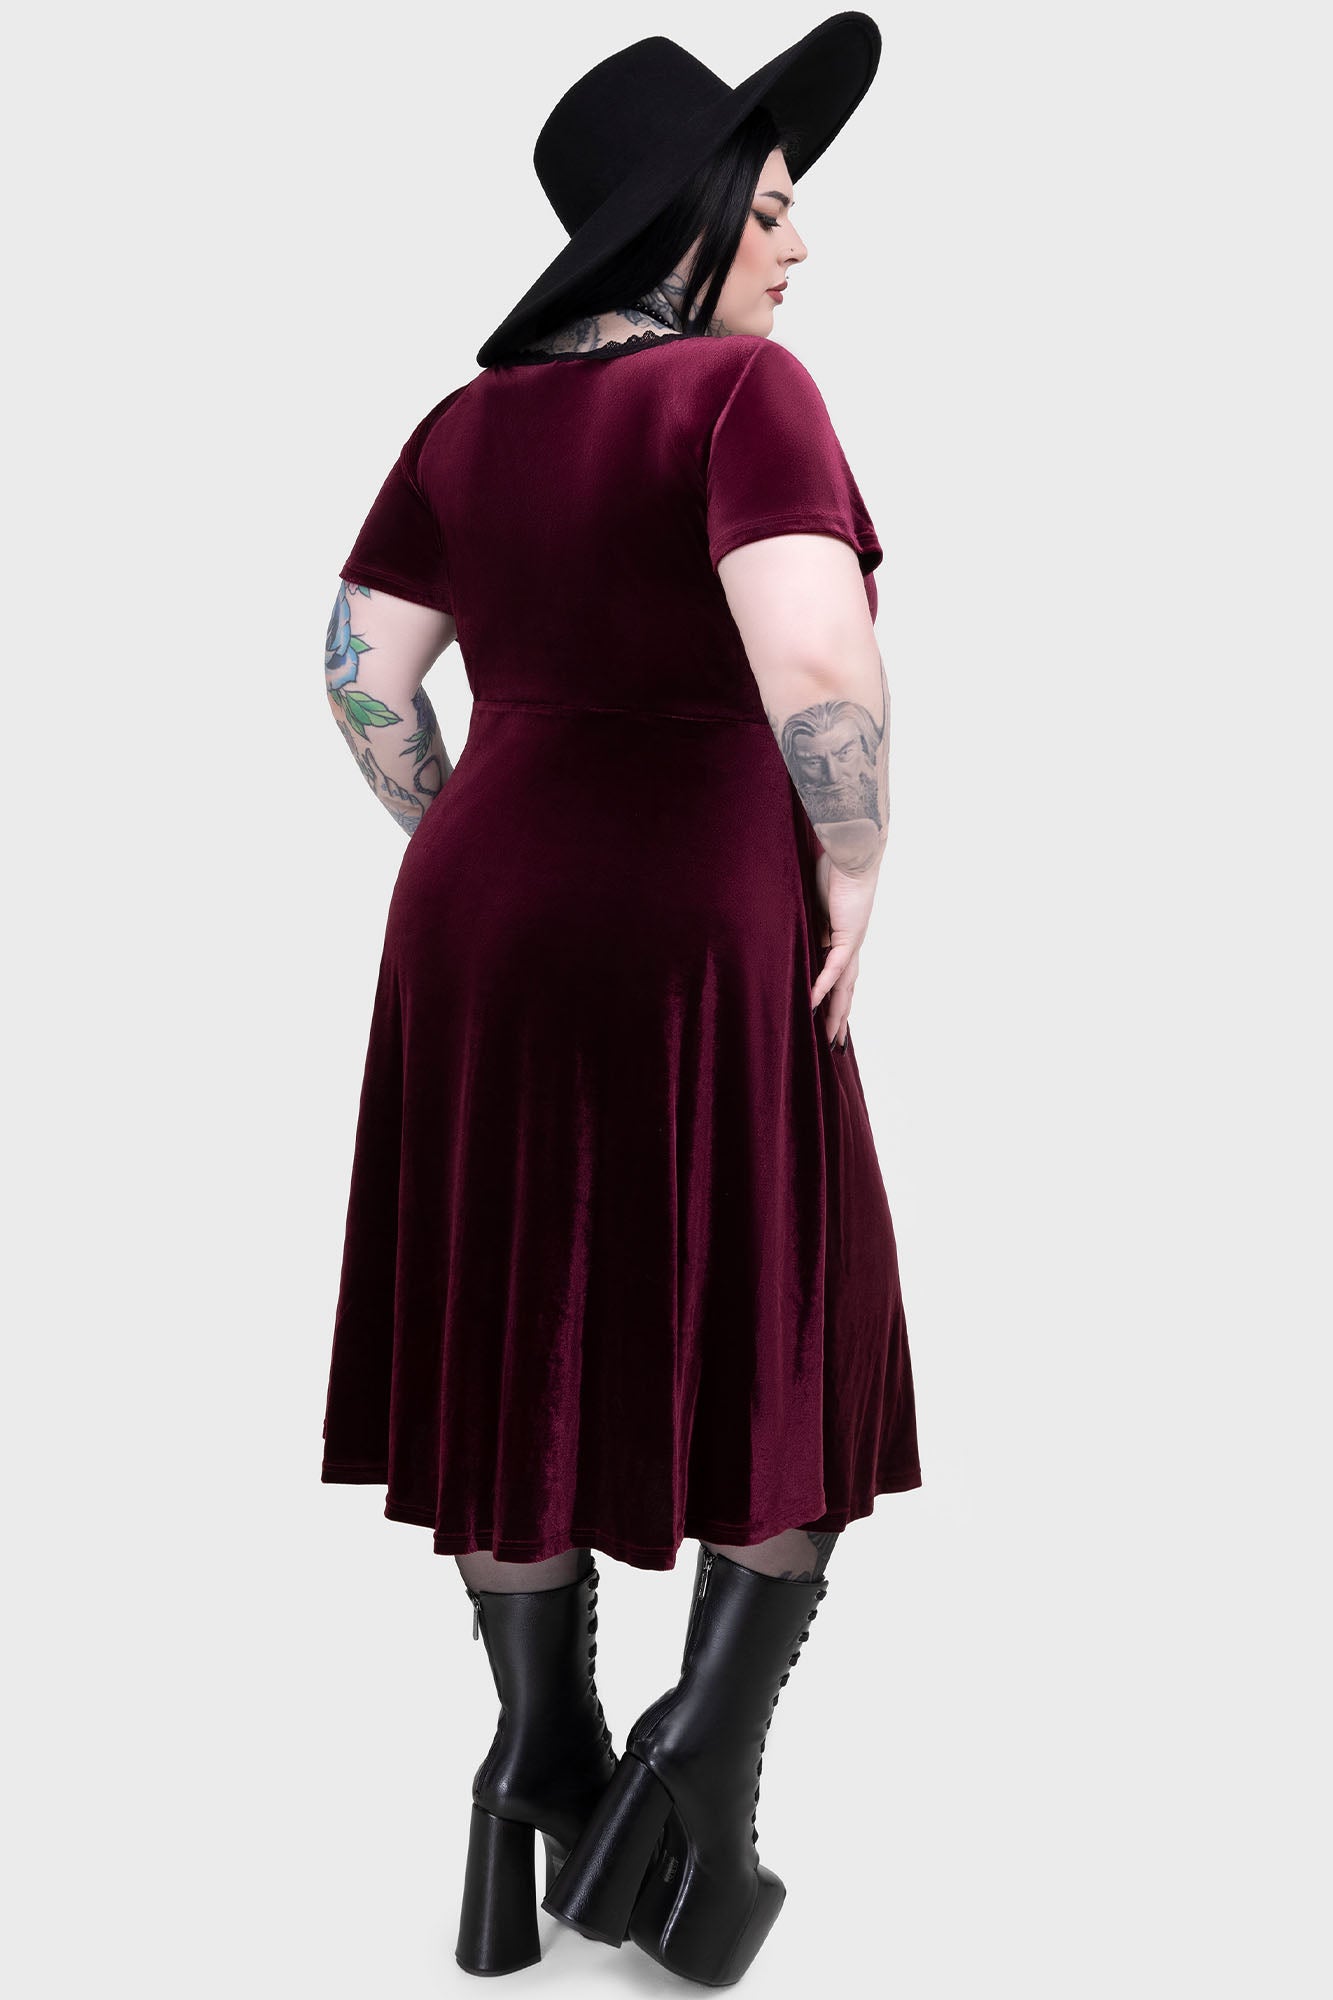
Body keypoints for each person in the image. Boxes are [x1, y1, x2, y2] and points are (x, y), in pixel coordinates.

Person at [320, 15, 922, 1986]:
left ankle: (535, 1765)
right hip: (695, 918)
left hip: (474, 928)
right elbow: (813, 663)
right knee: (789, 1313)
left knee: (520, 1323)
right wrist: (855, 860)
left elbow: (359, 673)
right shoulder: (744, 393)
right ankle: (695, 1764)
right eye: (773, 208)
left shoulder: (464, 426)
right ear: (685, 222)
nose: (797, 247)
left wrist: (469, 836)